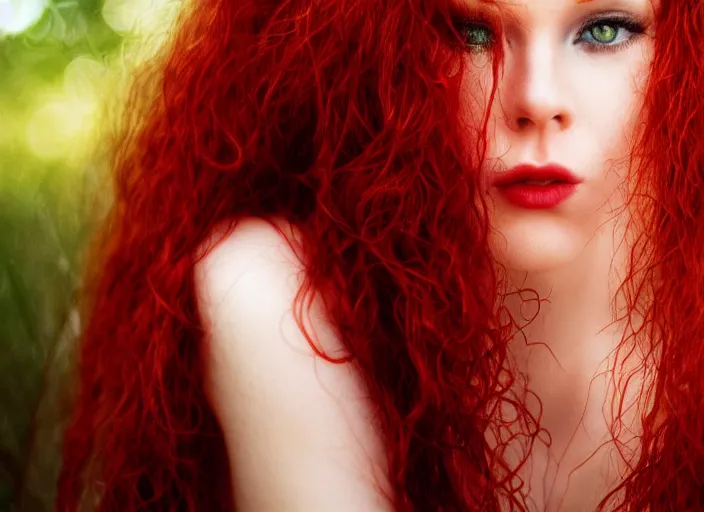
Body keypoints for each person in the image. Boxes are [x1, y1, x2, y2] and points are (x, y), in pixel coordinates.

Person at [55, 0, 703, 510]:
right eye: (470, 31)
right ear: (378, 53)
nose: (536, 97)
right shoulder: (274, 295)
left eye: (607, 31)